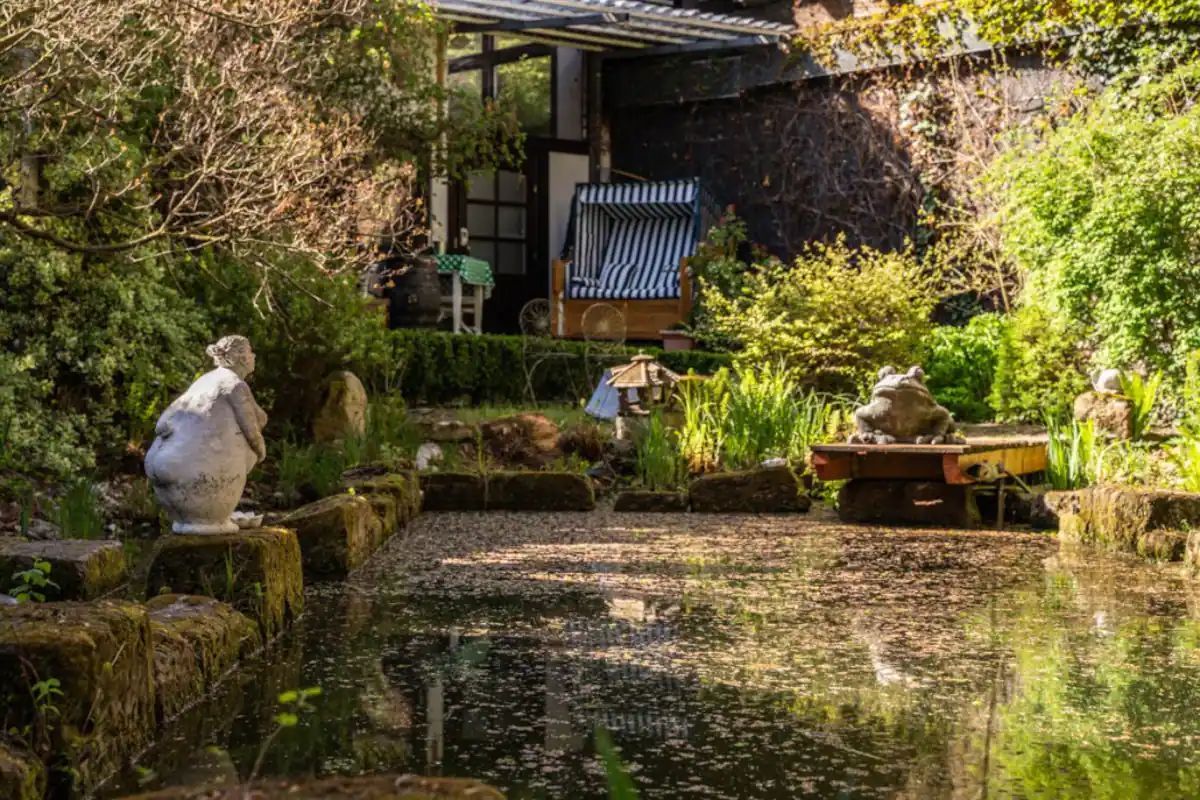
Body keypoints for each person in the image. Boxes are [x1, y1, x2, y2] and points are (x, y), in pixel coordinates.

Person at [144, 335, 268, 533]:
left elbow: (163, 423)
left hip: (165, 465)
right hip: (195, 474)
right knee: (242, 442)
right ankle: (214, 517)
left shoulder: (206, 380)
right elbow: (251, 429)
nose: (253, 356)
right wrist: (261, 451)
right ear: (241, 358)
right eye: (250, 351)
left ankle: (202, 516)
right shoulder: (234, 384)